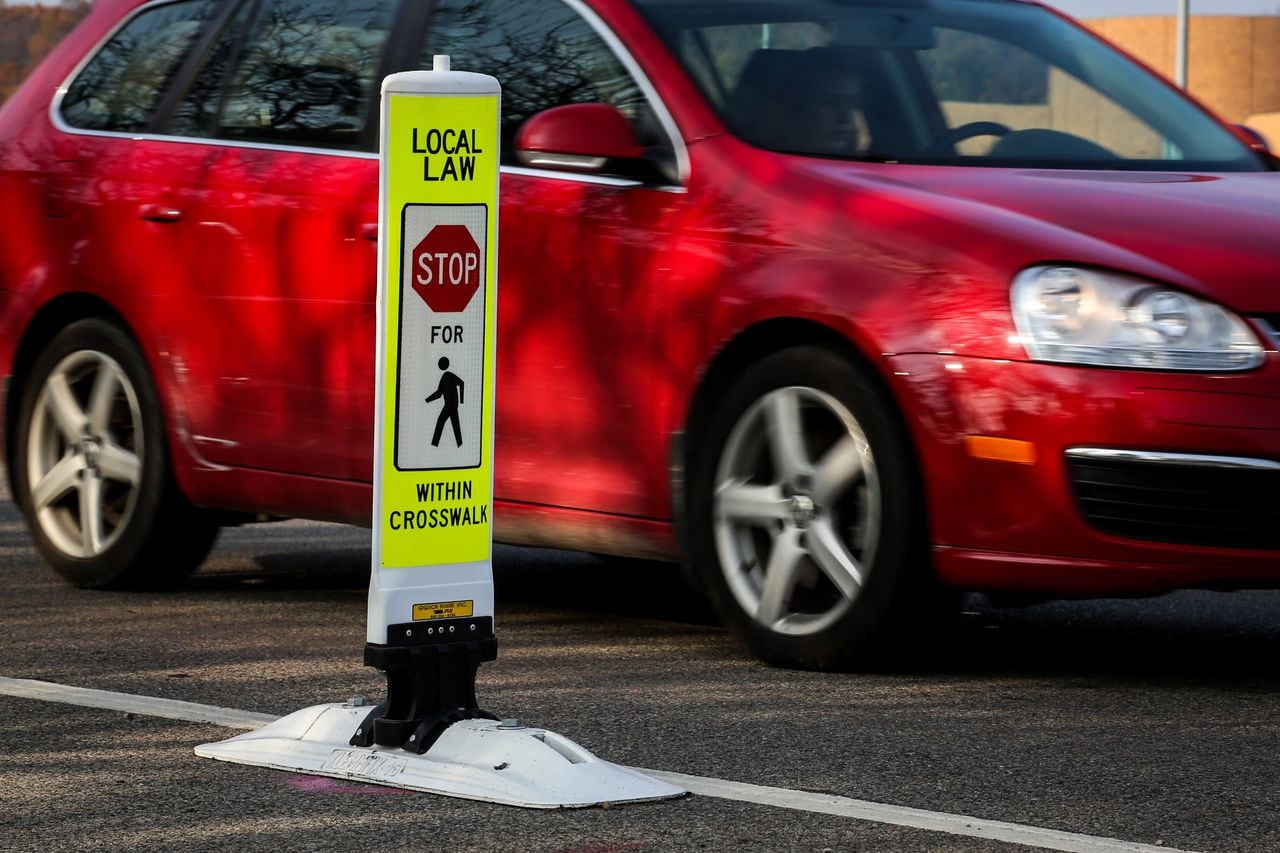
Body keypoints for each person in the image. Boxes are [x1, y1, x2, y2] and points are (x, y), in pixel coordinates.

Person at [426, 357, 464, 448]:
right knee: (455, 425)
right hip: (451, 405)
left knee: (441, 421)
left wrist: (462, 401)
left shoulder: (447, 375)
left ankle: (434, 445)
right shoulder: (445, 376)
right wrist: (427, 400)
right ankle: (460, 445)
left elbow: (461, 383)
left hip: (450, 405)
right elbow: (439, 393)